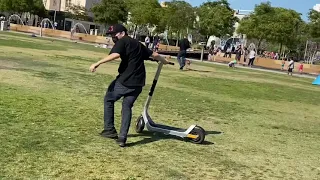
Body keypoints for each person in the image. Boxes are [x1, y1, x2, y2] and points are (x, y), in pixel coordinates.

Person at [89, 24, 170, 147]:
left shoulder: (123, 41)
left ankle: (109, 130)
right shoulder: (137, 44)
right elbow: (153, 55)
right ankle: (122, 138)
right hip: (138, 83)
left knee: (109, 99)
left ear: (122, 33)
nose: (113, 37)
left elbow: (115, 55)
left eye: (114, 34)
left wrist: (97, 63)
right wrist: (163, 60)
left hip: (126, 81)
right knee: (126, 106)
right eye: (111, 35)